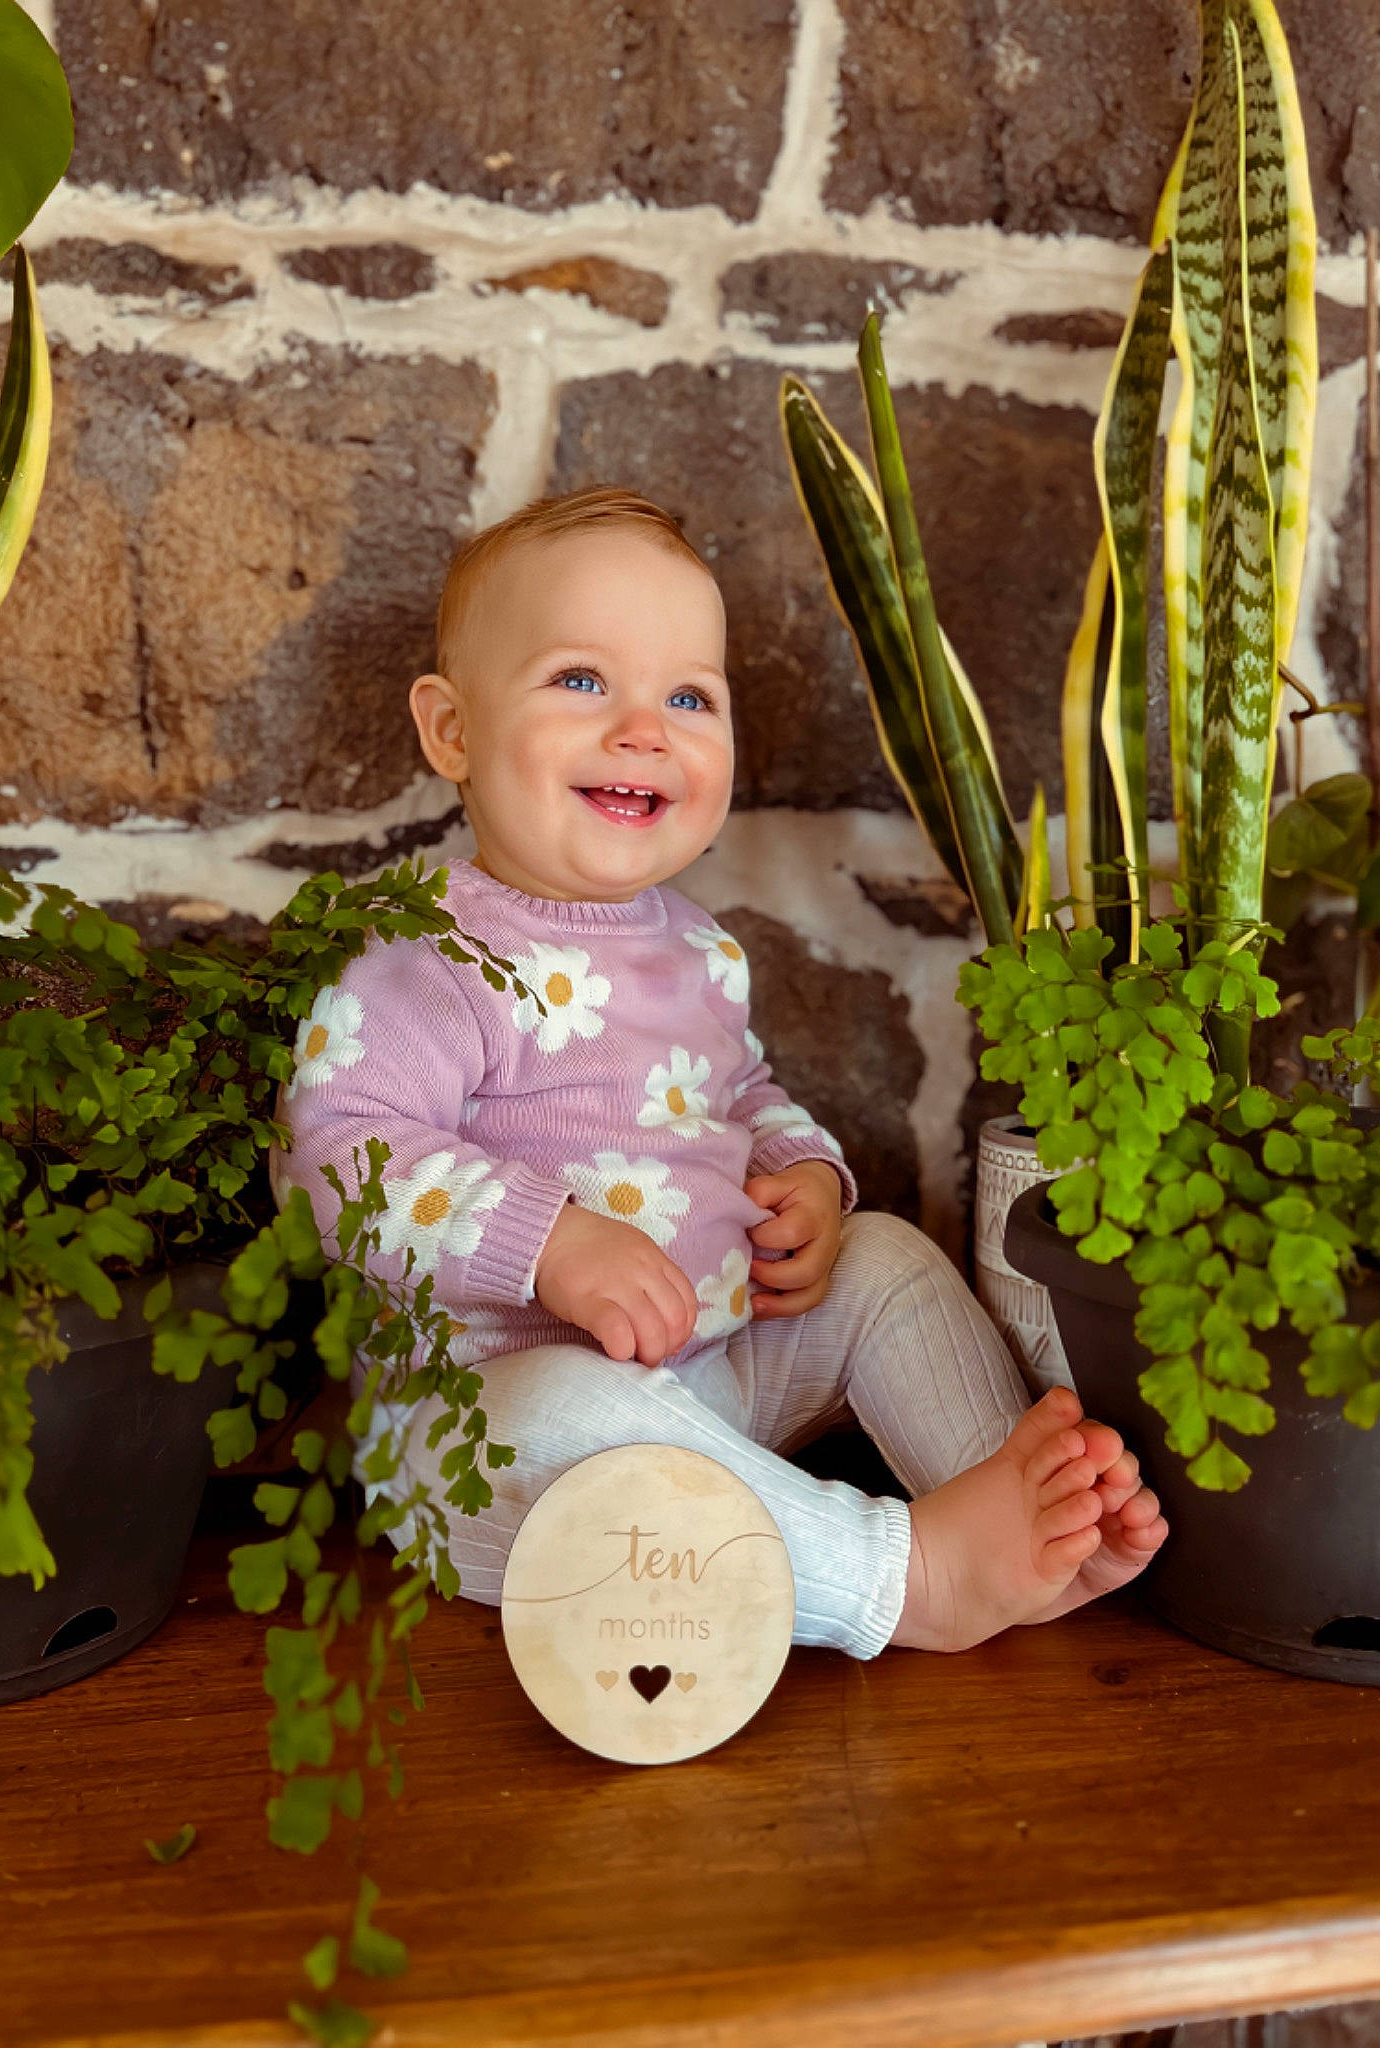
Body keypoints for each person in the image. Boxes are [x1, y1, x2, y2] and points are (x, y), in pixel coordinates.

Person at [278, 487, 1167, 1659]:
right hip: (491, 1443)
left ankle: (1008, 1508)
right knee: (562, 1409)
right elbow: (340, 1155)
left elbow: (738, 1094)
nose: (645, 726)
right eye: (582, 680)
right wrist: (553, 1243)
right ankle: (901, 1576)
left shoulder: (697, 948)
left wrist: (799, 1171)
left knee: (887, 1253)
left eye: (689, 696)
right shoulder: (424, 955)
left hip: (719, 1371)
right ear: (451, 730)